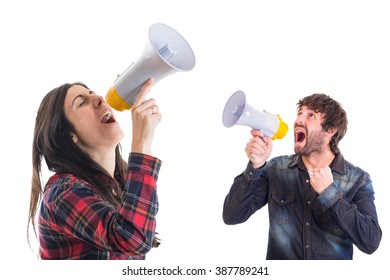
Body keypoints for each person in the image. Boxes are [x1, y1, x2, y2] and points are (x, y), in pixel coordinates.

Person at [222, 93, 382, 260]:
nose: (299, 120)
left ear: (330, 131)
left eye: (311, 115)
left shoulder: (358, 180)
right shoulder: (276, 169)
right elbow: (232, 216)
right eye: (300, 113)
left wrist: (330, 194)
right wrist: (255, 167)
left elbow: (370, 242)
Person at [28, 79, 162, 260]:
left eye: (92, 93)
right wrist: (142, 144)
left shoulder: (120, 186)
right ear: (70, 136)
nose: (99, 98)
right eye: (82, 102)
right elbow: (133, 239)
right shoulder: (63, 193)